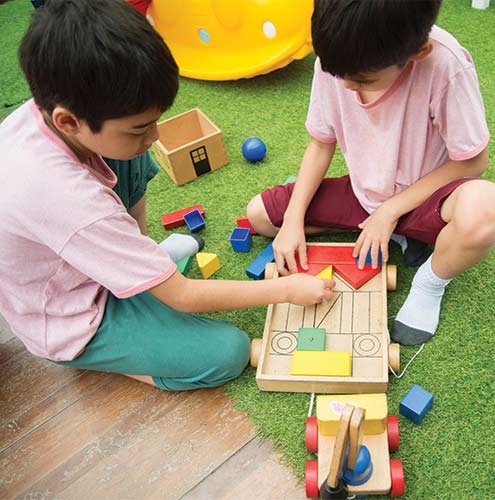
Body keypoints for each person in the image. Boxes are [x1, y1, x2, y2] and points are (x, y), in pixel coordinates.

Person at [0, 0, 334, 391]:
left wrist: (140, 253)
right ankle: (118, 325)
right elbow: (184, 295)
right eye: (139, 127)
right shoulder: (67, 199)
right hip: (74, 315)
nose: (156, 137)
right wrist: (287, 289)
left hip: (83, 250)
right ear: (68, 120)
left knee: (128, 156)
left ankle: (138, 260)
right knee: (228, 351)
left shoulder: (58, 112)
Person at [247, 0, 495, 346]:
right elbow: (321, 144)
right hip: (364, 195)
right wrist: (292, 221)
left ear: (418, 52)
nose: (348, 87)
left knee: (488, 208)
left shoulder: (446, 66)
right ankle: (397, 235)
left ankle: (429, 280)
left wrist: (391, 211)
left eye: (364, 79)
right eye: (339, 76)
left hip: (426, 202)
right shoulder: (340, 54)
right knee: (260, 216)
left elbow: (472, 161)